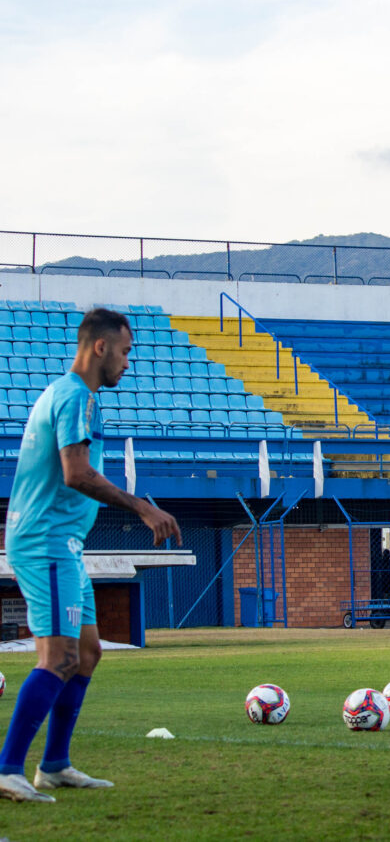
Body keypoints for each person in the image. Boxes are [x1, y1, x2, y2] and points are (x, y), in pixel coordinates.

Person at [0, 308, 182, 804]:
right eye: (125, 351)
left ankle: (54, 765)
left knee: (87, 653)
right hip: (46, 541)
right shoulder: (75, 396)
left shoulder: (75, 396)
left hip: (64, 544)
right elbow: (75, 473)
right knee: (58, 657)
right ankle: (7, 769)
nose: (128, 362)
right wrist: (141, 506)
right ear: (100, 347)